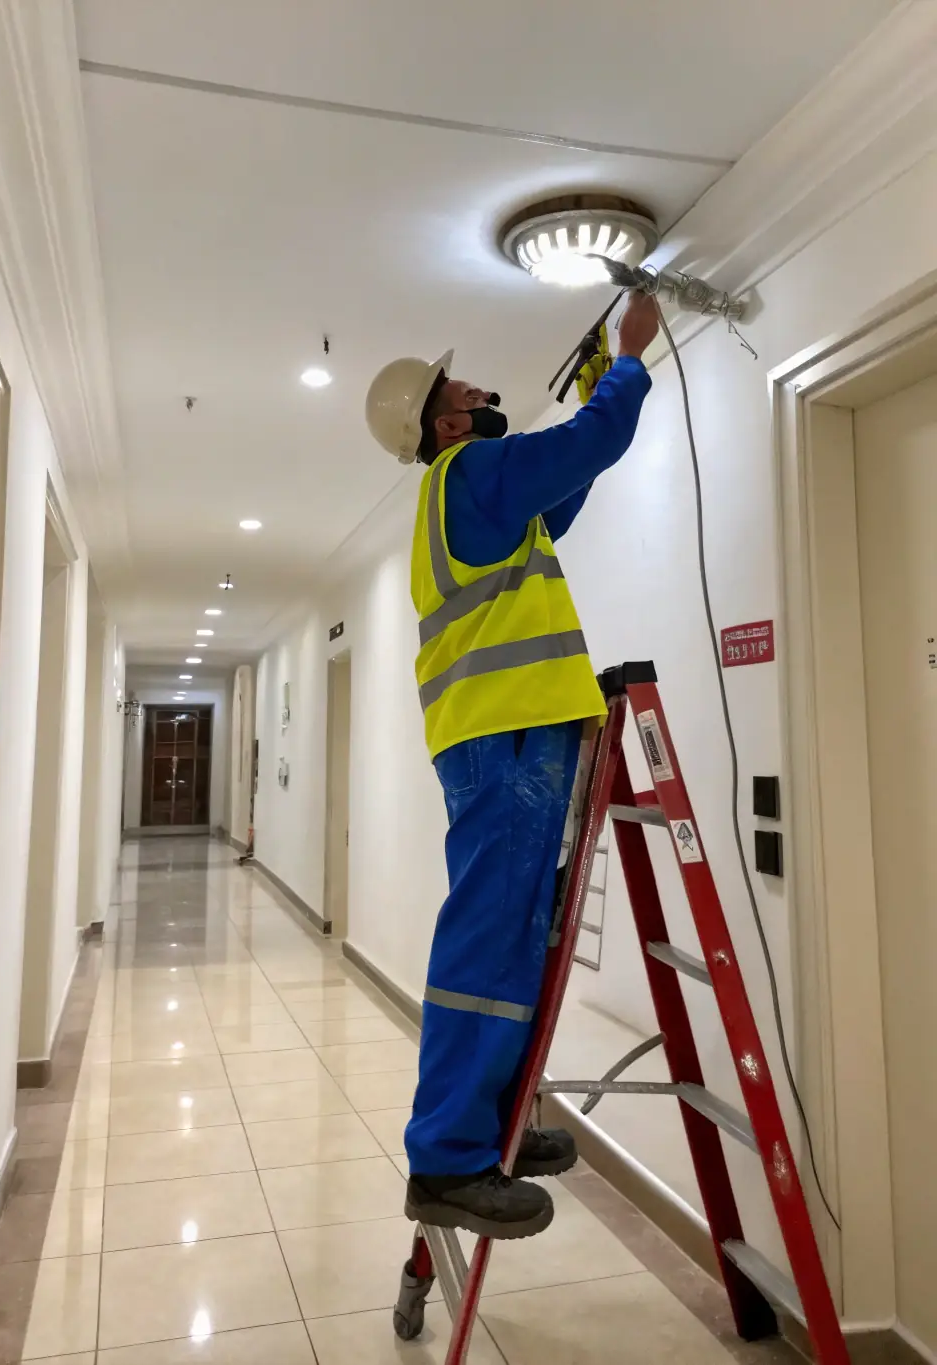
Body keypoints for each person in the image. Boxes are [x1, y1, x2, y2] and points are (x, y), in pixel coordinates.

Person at [363, 290, 660, 1240]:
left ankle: (489, 1123)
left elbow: (564, 491)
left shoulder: (474, 496)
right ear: (446, 421)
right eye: (465, 388)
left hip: (507, 734)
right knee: (491, 934)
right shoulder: (471, 473)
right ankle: (447, 1158)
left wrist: (590, 395)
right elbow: (583, 450)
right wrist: (631, 359)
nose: (483, 390)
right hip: (506, 736)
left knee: (518, 930)